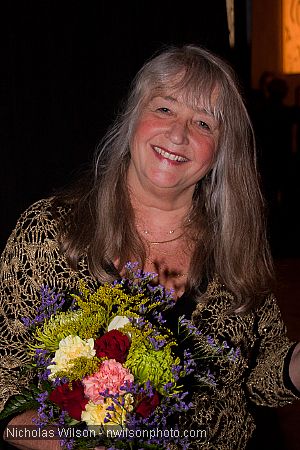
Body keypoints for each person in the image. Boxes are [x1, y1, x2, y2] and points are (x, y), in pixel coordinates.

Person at [1, 44, 300, 450]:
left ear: (221, 153)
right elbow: (5, 390)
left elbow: (258, 377)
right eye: (164, 108)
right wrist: (82, 441)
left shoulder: (234, 244)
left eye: (204, 123)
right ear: (132, 117)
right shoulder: (51, 232)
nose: (178, 134)